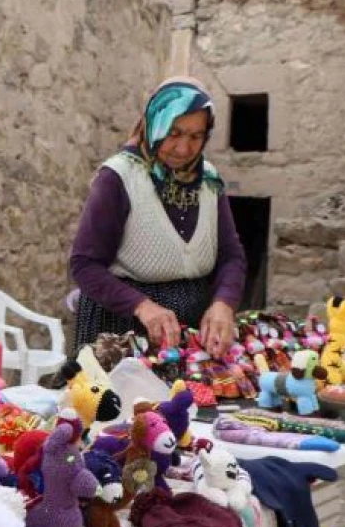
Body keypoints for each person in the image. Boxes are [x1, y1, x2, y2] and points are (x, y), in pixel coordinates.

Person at [69, 77, 247, 358]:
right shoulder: (119, 177)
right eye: (173, 133)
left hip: (189, 331)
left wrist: (224, 302)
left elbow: (231, 256)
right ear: (153, 124)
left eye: (195, 136)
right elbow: (85, 265)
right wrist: (142, 306)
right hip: (120, 328)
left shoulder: (209, 182)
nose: (183, 148)